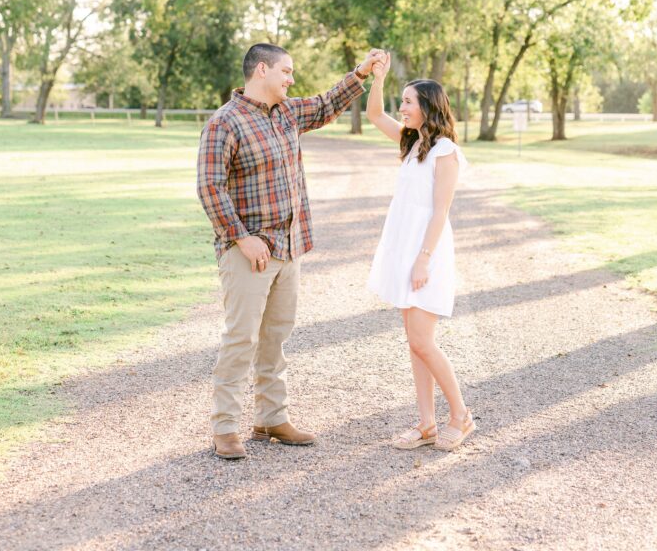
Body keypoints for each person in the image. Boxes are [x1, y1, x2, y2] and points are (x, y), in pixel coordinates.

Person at [197, 42, 385, 459]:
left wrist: (362, 71)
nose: (291, 78)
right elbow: (209, 187)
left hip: (289, 246)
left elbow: (326, 104)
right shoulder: (224, 123)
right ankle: (225, 427)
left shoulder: (286, 113)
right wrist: (241, 237)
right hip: (247, 251)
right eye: (287, 71)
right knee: (240, 338)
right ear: (261, 70)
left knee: (275, 338)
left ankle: (270, 419)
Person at [366, 52, 474, 452]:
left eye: (408, 101)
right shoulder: (412, 144)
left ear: (427, 107)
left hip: (426, 252)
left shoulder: (445, 151)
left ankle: (460, 416)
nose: (402, 107)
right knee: (414, 341)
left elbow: (440, 210)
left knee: (423, 340)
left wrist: (423, 258)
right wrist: (378, 77)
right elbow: (376, 114)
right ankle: (427, 423)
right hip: (404, 247)